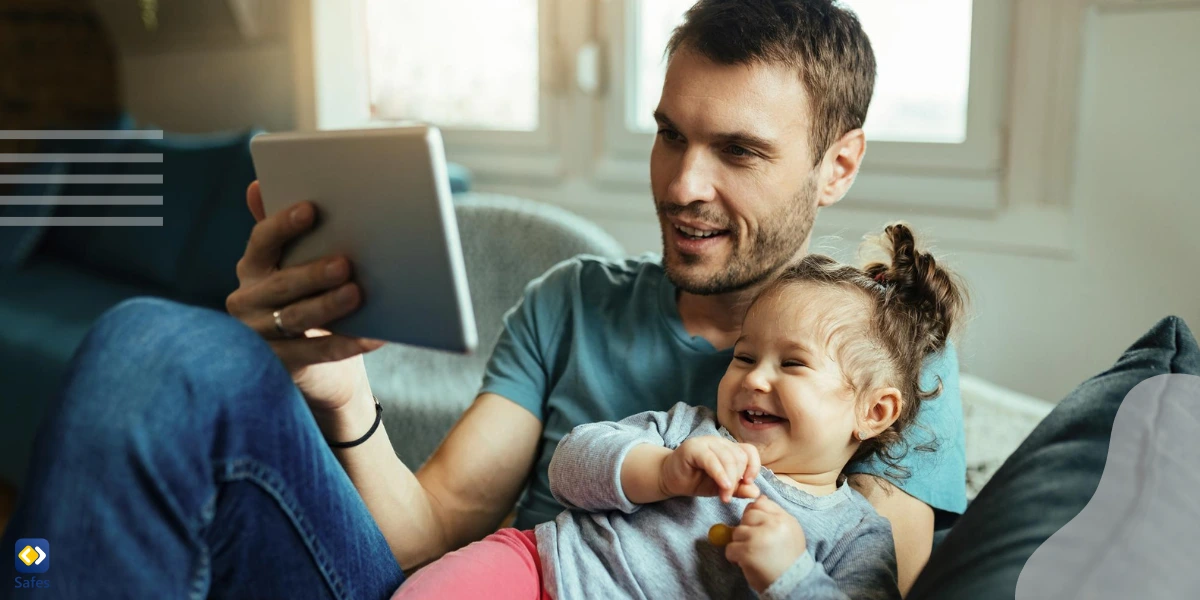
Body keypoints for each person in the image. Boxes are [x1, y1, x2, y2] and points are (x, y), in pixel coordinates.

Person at [0, 1, 964, 599]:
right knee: (154, 342)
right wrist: (340, 394)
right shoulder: (572, 302)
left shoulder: (885, 353)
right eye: (670, 135)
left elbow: (868, 581)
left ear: (838, 165)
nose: (680, 185)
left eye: (739, 152)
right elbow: (434, 526)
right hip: (478, 583)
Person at [392, 223, 967, 600]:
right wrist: (661, 470)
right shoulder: (689, 430)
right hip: (542, 571)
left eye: (792, 365)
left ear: (874, 411)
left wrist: (791, 577)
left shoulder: (857, 536)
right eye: (744, 356)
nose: (755, 378)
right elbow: (568, 468)